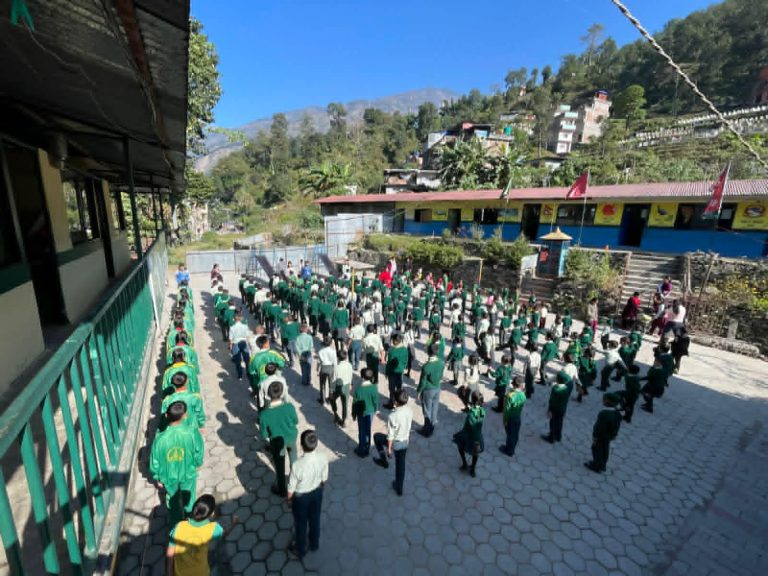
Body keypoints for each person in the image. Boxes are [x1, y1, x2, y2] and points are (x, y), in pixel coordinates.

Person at [150, 402, 204, 527]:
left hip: (168, 477)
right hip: (188, 472)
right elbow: (199, 450)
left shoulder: (159, 438)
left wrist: (156, 477)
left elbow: (155, 461)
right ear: (184, 415)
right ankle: (191, 521)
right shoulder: (192, 432)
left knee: (172, 500)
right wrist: (197, 462)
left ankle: (177, 526)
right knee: (189, 498)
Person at [166, 494, 239, 576]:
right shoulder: (213, 528)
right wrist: (233, 523)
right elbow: (224, 533)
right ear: (212, 514)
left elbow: (170, 552)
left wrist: (169, 573)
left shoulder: (179, 527)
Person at [287, 430, 328, 559]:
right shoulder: (323, 457)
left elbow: (291, 488)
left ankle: (300, 549)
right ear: (316, 443)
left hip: (301, 498)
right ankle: (314, 544)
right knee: (315, 519)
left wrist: (289, 500)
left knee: (301, 523)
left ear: (301, 446)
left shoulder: (297, 465)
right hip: (317, 493)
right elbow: (324, 480)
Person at [259, 381, 299, 497]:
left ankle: (282, 490)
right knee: (294, 460)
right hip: (291, 437)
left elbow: (264, 435)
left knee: (280, 466)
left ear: (268, 395)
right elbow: (296, 421)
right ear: (282, 393)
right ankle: (295, 483)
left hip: (277, 442)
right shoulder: (289, 407)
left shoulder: (264, 414)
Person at [373, 390, 413, 496]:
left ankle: (383, 460)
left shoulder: (393, 416)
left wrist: (389, 450)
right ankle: (399, 487)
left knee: (377, 437)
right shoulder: (409, 410)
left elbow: (390, 436)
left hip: (395, 443)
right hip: (405, 441)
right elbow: (408, 426)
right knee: (401, 465)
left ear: (396, 401)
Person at [584, 393, 623, 473]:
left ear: (608, 402)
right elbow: (617, 425)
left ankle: (596, 465)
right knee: (605, 449)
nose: (603, 400)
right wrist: (614, 434)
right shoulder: (617, 413)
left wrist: (595, 436)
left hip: (601, 435)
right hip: (609, 436)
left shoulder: (604, 413)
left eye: (604, 399)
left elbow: (599, 427)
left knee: (596, 449)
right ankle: (603, 464)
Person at [453, 391, 485, 478]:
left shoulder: (471, 414)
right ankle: (473, 469)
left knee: (460, 447)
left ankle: (465, 464)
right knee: (476, 454)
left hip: (469, 436)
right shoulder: (482, 411)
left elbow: (469, 426)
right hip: (478, 437)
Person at [416, 344, 444, 438]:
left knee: (427, 410)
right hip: (437, 388)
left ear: (428, 352)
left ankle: (427, 430)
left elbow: (423, 381)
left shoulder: (426, 366)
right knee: (435, 407)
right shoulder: (441, 362)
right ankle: (432, 426)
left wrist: (419, 391)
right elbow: (441, 375)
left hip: (428, 390)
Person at [352, 368, 379, 457]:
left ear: (362, 377)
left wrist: (353, 414)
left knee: (361, 431)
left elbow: (355, 404)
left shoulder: (358, 390)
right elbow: (376, 401)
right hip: (370, 412)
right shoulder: (374, 388)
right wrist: (376, 409)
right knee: (368, 430)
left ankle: (361, 449)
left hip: (361, 413)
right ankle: (367, 448)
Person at [541, 371, 574, 444]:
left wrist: (549, 410)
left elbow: (552, 400)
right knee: (560, 422)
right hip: (562, 409)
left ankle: (551, 438)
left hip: (555, 409)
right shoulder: (566, 388)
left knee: (553, 423)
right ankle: (558, 436)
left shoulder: (556, 388)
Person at [500, 377, 526, 457]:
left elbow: (507, 410)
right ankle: (512, 448)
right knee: (515, 434)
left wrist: (505, 420)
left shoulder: (510, 396)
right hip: (518, 417)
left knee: (510, 435)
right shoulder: (523, 395)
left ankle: (509, 450)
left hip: (510, 419)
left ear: (514, 385)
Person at [384, 334, 408, 409]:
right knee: (399, 388)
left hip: (392, 372)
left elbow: (389, 363)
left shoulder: (391, 350)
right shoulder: (405, 349)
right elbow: (405, 361)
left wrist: (386, 372)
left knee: (391, 388)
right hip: (400, 372)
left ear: (395, 341)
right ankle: (400, 402)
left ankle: (391, 403)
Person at [331, 349, 353, 427]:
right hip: (346, 385)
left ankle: (335, 413)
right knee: (345, 404)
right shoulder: (349, 365)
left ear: (338, 358)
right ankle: (344, 420)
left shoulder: (336, 367)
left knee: (332, 398)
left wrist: (331, 390)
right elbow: (351, 375)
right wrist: (350, 384)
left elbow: (334, 380)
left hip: (338, 386)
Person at [229, 310, 252, 381]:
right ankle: (248, 373)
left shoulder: (232, 327)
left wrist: (231, 348)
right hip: (244, 342)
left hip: (236, 343)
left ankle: (240, 375)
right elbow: (248, 336)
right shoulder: (245, 326)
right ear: (241, 318)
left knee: (237, 361)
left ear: (234, 318)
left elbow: (231, 339)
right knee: (247, 360)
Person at [317, 336, 337, 405]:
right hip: (331, 367)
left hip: (323, 367)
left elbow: (320, 361)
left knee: (322, 384)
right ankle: (330, 399)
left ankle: (323, 400)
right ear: (331, 343)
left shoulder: (320, 351)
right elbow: (335, 362)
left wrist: (318, 369)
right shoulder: (333, 351)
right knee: (331, 384)